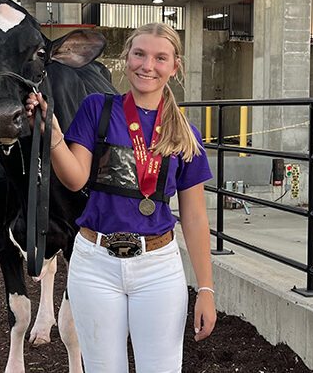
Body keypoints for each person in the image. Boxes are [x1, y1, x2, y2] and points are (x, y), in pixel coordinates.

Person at [27, 23, 216, 372]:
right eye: (139, 54)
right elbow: (74, 179)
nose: (147, 65)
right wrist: (51, 133)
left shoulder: (186, 136)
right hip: (95, 263)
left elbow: (194, 218)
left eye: (160, 58)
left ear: (175, 67)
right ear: (126, 58)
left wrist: (206, 289)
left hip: (158, 267)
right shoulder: (97, 108)